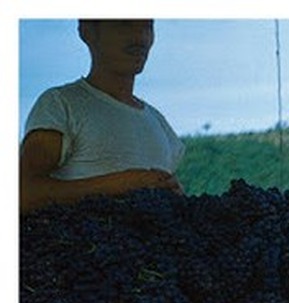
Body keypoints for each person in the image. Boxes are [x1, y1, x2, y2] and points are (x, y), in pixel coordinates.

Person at [20, 19, 185, 214]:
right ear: (87, 31)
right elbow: (21, 194)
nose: (140, 38)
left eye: (147, 26)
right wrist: (119, 185)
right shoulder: (61, 105)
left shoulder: (159, 123)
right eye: (124, 24)